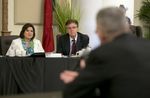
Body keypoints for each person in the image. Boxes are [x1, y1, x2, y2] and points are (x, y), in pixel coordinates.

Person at [61, 7, 150, 98]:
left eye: (97, 29)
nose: (96, 32)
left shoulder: (101, 54)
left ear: (102, 30)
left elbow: (72, 94)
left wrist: (80, 79)